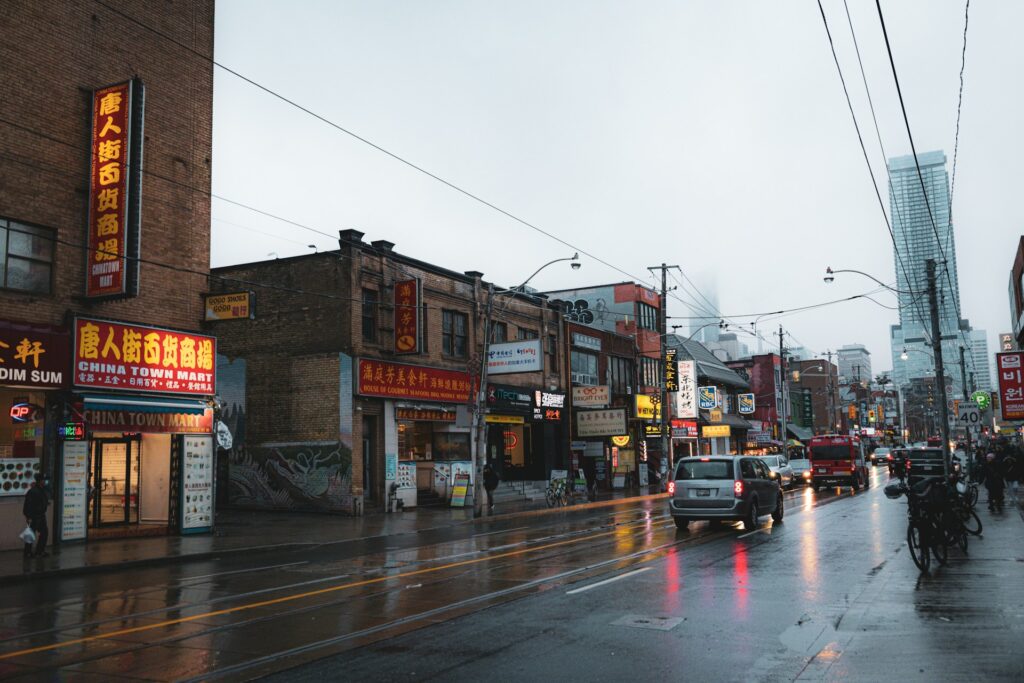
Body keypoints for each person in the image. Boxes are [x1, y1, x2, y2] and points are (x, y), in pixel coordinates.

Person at [23, 473, 49, 558]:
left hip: (41, 515)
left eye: (44, 480)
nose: (44, 482)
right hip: (34, 516)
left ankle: (39, 551)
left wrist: (45, 504)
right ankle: (28, 553)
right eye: (43, 480)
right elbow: (28, 505)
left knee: (44, 533)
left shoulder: (42, 490)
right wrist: (28, 517)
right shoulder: (33, 491)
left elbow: (42, 500)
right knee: (31, 534)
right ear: (39, 481)